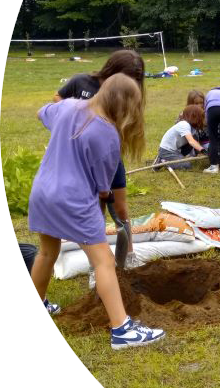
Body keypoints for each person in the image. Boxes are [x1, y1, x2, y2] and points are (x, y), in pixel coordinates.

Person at [29, 74, 165, 349]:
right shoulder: (107, 133)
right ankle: (122, 330)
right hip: (74, 200)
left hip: (43, 192)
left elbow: (42, 112)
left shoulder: (68, 107)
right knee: (103, 261)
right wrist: (106, 196)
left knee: (47, 252)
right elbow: (103, 188)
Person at [54, 49, 145, 253]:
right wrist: (79, 113)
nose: (131, 83)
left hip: (110, 158)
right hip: (84, 161)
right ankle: (97, 262)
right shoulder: (82, 81)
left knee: (121, 209)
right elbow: (57, 99)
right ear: (113, 70)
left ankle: (128, 254)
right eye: (129, 77)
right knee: (96, 210)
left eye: (136, 79)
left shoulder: (125, 92)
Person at [154, 104, 206, 169]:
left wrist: (204, 152)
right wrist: (204, 151)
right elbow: (191, 141)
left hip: (176, 150)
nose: (202, 119)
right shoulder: (184, 124)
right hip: (167, 150)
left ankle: (171, 159)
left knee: (195, 138)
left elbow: (195, 142)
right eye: (201, 117)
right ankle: (162, 160)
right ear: (194, 116)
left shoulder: (193, 127)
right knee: (186, 166)